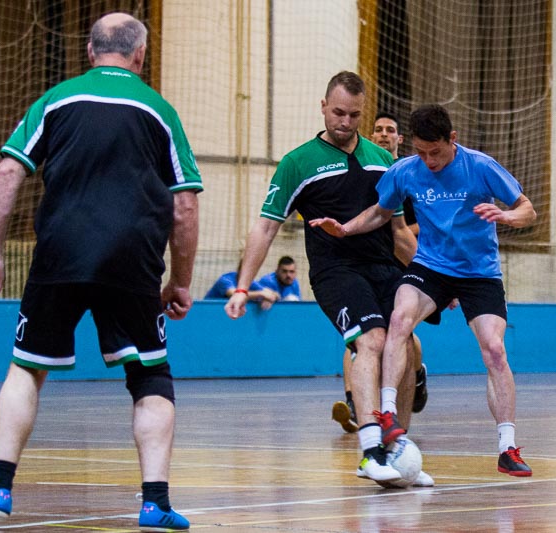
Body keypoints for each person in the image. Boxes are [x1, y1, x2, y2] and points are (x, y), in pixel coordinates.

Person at [0, 13, 201, 531]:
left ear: (90, 51)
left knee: (27, 367)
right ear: (140, 56)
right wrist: (180, 281)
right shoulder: (160, 111)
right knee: (149, 374)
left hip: (60, 253)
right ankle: (154, 503)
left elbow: (9, 169)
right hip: (133, 259)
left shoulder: (56, 99)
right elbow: (184, 205)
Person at [224, 71, 433, 487]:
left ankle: (398, 450)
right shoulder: (298, 162)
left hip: (384, 269)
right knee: (371, 340)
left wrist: (435, 276)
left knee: (406, 346)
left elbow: (398, 232)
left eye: (354, 115)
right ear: (323, 107)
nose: (345, 122)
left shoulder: (383, 160)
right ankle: (371, 451)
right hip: (336, 271)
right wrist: (243, 286)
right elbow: (265, 227)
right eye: (338, 112)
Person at [310, 103, 537, 477]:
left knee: (495, 350)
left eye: (436, 152)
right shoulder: (405, 171)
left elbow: (527, 208)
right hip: (431, 266)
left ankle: (507, 447)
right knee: (399, 320)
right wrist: (347, 228)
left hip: (479, 273)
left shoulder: (480, 166)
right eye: (421, 152)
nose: (429, 161)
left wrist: (507, 216)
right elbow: (381, 212)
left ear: (453, 139)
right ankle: (387, 414)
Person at [332, 112, 429, 434]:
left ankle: (416, 377)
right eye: (378, 130)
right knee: (359, 338)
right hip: (366, 264)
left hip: (403, 260)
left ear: (400, 138)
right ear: (371, 136)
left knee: (403, 335)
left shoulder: (411, 174)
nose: (384, 134)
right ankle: (355, 402)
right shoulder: (363, 171)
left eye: (390, 130)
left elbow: (419, 223)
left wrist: (392, 229)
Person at [205, 260, 280, 310]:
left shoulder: (251, 282)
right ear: (239, 269)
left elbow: (275, 295)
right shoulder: (225, 280)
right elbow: (235, 294)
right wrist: (261, 294)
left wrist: (268, 299)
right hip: (208, 310)